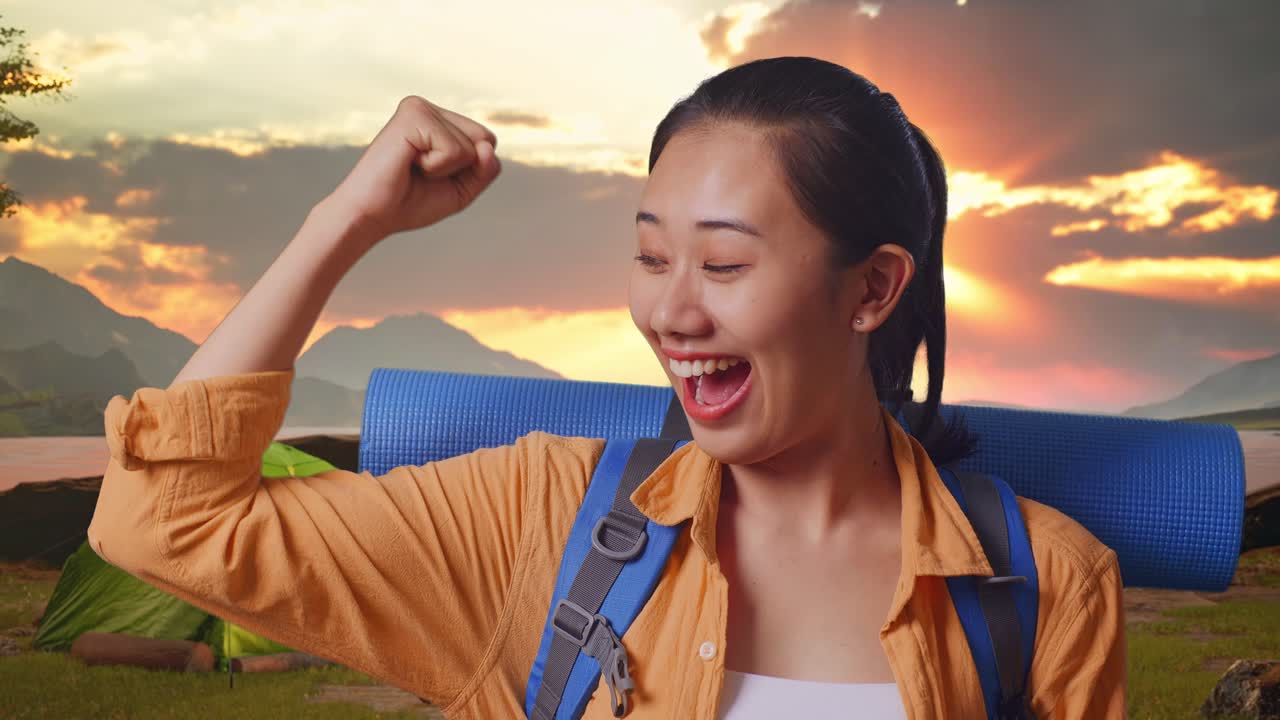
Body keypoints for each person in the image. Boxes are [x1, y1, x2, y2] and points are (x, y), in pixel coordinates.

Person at [87, 56, 1125, 718]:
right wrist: (341, 222)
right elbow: (164, 525)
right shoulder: (545, 524)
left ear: (872, 288)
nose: (671, 314)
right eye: (648, 257)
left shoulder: (1040, 589)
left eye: (721, 266)